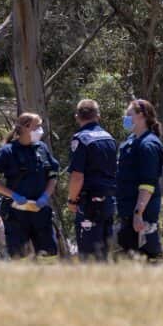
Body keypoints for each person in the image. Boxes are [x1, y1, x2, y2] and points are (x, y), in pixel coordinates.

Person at [0, 112, 61, 260]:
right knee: (18, 256)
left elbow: (53, 176)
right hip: (16, 214)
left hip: (40, 212)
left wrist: (46, 195)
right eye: (36, 127)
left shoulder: (42, 149)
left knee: (49, 255)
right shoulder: (7, 152)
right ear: (25, 128)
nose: (40, 130)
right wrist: (13, 195)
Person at [65, 100, 119, 262]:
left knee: (88, 253)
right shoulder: (109, 138)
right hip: (108, 201)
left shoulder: (80, 139)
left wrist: (72, 200)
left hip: (89, 203)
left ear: (77, 117)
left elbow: (77, 176)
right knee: (104, 250)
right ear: (98, 116)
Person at [116, 99, 163, 261]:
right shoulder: (131, 142)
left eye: (129, 114)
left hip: (141, 214)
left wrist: (139, 212)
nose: (126, 118)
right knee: (130, 257)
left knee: (147, 259)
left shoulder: (148, 145)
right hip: (127, 211)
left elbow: (148, 184)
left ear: (141, 116)